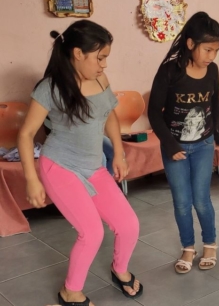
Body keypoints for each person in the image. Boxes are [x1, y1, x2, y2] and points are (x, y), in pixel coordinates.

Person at [18, 20, 143, 306]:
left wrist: (119, 153)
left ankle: (119, 270)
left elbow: (109, 113)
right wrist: (31, 179)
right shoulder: (50, 88)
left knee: (129, 224)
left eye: (106, 58)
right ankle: (70, 292)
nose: (104, 65)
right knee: (92, 232)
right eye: (100, 57)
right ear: (77, 53)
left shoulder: (99, 80)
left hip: (94, 166)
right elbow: (25, 135)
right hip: (59, 166)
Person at [148, 11, 219, 274]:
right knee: (181, 202)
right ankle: (188, 247)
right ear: (190, 44)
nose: (212, 56)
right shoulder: (170, 71)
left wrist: (218, 138)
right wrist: (171, 145)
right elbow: (153, 113)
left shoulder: (212, 71)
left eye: (216, 50)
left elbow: (214, 105)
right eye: (207, 49)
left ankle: (210, 243)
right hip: (175, 148)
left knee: (201, 200)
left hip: (203, 145)